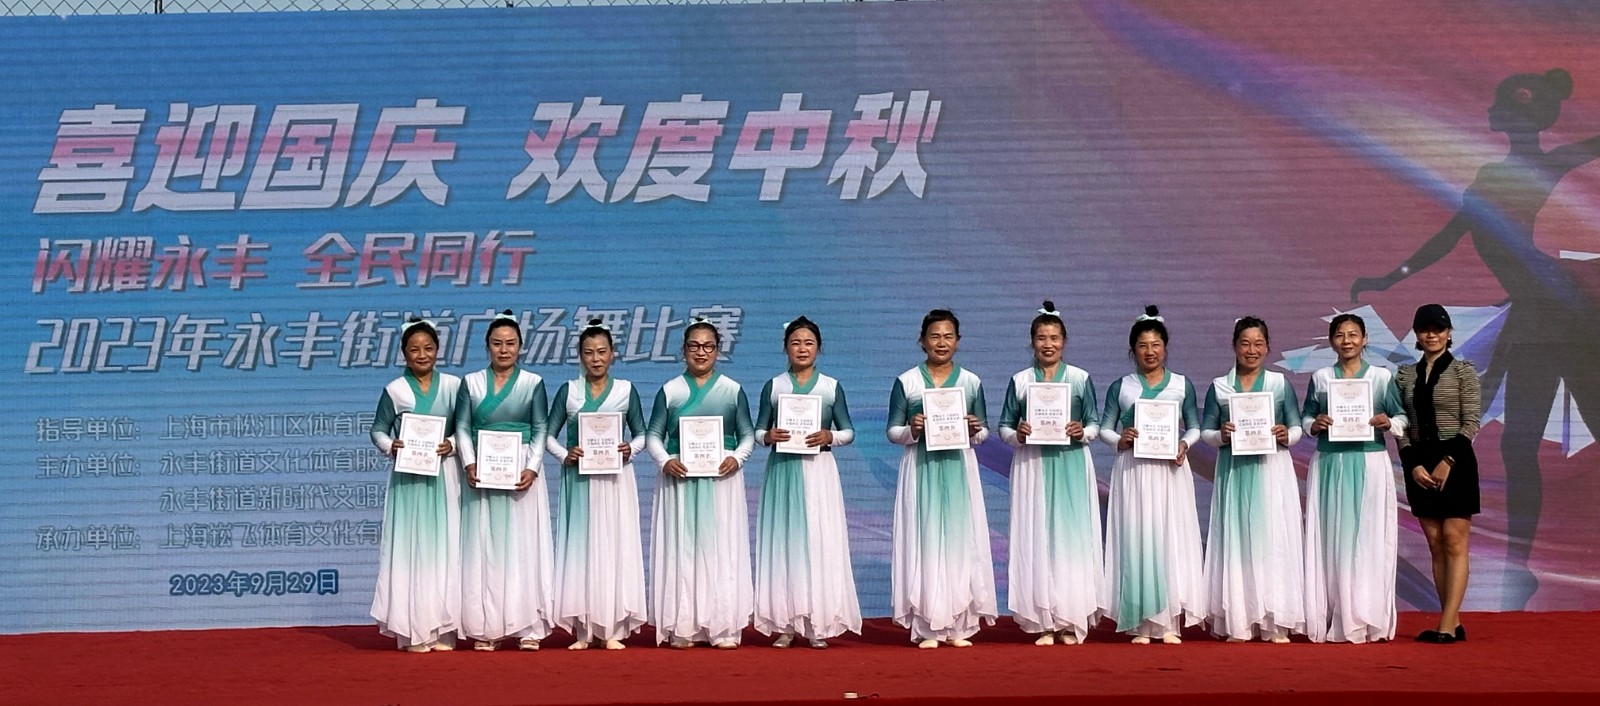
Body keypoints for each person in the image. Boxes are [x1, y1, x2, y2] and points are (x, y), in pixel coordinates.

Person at [1353, 69, 1600, 607]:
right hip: (1535, 321)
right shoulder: (1490, 177)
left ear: (1528, 118)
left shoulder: (1546, 164)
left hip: (1569, 317)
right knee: (1517, 445)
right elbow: (1445, 241)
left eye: (1508, 106)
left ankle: (1521, 567)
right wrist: (1389, 278)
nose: (1497, 112)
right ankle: (1519, 569)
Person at [644, 316, 757, 649]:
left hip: (721, 480)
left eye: (708, 346)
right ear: (684, 350)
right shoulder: (671, 390)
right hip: (680, 480)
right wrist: (665, 460)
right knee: (683, 548)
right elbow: (653, 435)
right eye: (694, 346)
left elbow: (747, 435)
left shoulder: (732, 390)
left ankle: (722, 627)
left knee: (722, 547)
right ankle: (684, 626)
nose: (701, 352)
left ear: (718, 351)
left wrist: (737, 458)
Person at [887, 308, 996, 649]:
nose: (941, 342)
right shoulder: (907, 381)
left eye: (948, 336)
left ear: (958, 341)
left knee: (961, 542)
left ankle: (959, 625)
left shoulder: (970, 382)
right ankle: (928, 627)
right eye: (934, 336)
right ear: (922, 341)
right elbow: (892, 431)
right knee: (925, 541)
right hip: (921, 469)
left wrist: (974, 430)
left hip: (959, 469)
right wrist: (912, 428)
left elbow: (983, 432)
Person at [1098, 305, 1206, 645]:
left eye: (1156, 345)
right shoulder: (1122, 386)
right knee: (1138, 539)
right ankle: (1141, 623)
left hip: (1170, 471)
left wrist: (1184, 444)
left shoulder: (1181, 385)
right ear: (1133, 350)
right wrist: (1120, 439)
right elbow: (1104, 428)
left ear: (1165, 347)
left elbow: (1195, 426)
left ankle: (1169, 622)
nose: (1150, 351)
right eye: (1143, 345)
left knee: (1169, 538)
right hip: (1135, 471)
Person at [752, 316, 862, 649]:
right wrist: (768, 436)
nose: (802, 349)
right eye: (796, 343)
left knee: (819, 542)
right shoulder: (774, 386)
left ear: (819, 348)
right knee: (784, 543)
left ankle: (818, 623)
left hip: (818, 471)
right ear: (785, 347)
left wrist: (830, 436)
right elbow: (758, 431)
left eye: (809, 343)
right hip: (783, 470)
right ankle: (785, 624)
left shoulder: (830, 387)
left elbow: (848, 431)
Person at [998, 301, 1104, 646]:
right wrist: (1018, 434)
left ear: (1064, 341)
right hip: (1032, 466)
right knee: (1037, 538)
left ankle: (1070, 619)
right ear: (1032, 342)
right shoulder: (1020, 381)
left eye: (1054, 338)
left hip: (1071, 464)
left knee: (1071, 540)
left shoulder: (1079, 379)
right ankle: (1043, 621)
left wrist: (1081, 431)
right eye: (1042, 338)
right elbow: (1004, 426)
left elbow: (1094, 424)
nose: (1048, 344)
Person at [452, 310, 555, 651]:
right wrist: (469, 462)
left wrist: (532, 467)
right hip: (483, 469)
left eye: (510, 343)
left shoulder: (532, 383)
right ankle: (487, 628)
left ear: (521, 346)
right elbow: (462, 427)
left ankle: (528, 627)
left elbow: (540, 427)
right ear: (487, 346)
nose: (504, 349)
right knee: (484, 547)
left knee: (523, 545)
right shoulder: (471, 383)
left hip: (520, 469)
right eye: (497, 343)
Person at [1301, 313, 1407, 643]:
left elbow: (1402, 417)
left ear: (1365, 340)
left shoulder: (1380, 377)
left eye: (1353, 335)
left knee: (1368, 538)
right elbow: (1306, 417)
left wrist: (1388, 423)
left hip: (1370, 462)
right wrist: (1314, 425)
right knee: (1332, 539)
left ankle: (1366, 615)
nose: (1346, 341)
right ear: (1331, 341)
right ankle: (1334, 613)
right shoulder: (1321, 378)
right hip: (1330, 463)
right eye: (1340, 335)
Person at [1199, 316, 1306, 643]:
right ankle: (1240, 620)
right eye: (1245, 343)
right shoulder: (1220, 386)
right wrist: (1221, 434)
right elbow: (1205, 432)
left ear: (1268, 347)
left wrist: (1286, 434)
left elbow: (1296, 428)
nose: (1252, 350)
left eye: (1259, 344)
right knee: (1238, 541)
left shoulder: (1278, 384)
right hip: (1234, 471)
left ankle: (1275, 620)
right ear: (1234, 346)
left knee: (1273, 540)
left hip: (1271, 470)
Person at [544, 319, 649, 650]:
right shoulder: (569, 391)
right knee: (582, 550)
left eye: (602, 351)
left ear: (613, 354)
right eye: (589, 352)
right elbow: (548, 436)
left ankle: (613, 629)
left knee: (615, 547)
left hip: (616, 481)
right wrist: (565, 454)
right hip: (579, 480)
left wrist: (630, 449)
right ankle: (584, 631)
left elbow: (643, 434)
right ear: (580, 355)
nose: (596, 358)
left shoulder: (625, 391)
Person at [369, 318, 462, 653]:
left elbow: (466, 428)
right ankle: (413, 632)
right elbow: (378, 430)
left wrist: (452, 443)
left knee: (445, 549)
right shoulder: (395, 390)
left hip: (444, 475)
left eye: (428, 348)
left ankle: (443, 630)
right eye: (414, 350)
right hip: (408, 479)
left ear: (438, 350)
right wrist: (390, 446)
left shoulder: (453, 387)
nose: (422, 355)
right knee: (410, 549)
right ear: (404, 354)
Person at [1394, 304, 1482, 644]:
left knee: (1454, 540)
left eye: (1438, 328)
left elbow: (1471, 422)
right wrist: (1413, 465)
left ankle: (1445, 625)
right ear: (1416, 334)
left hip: (1456, 459)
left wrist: (1447, 461)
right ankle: (1452, 620)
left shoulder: (1463, 371)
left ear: (1449, 333)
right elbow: (1401, 426)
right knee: (1435, 544)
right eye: (1425, 329)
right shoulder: (1404, 375)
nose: (1431, 334)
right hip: (1419, 462)